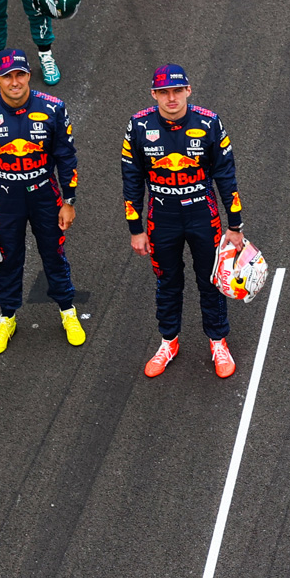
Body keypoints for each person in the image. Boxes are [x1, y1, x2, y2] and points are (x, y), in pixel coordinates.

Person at [121, 65, 245, 379]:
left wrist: (235, 226)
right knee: (167, 283)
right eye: (164, 92)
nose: (171, 98)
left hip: (204, 215)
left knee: (212, 280)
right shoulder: (138, 125)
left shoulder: (209, 122)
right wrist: (136, 230)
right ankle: (168, 342)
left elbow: (226, 177)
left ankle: (218, 342)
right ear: (154, 94)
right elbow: (132, 181)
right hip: (161, 218)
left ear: (188, 90)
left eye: (177, 91)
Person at [0, 49, 83, 355]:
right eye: (7, 77)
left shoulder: (54, 108)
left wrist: (68, 201)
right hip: (5, 200)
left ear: (29, 75)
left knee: (53, 254)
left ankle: (68, 311)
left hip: (46, 196)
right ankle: (7, 317)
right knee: (7, 259)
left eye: (20, 75)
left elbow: (66, 158)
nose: (14, 82)